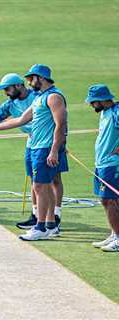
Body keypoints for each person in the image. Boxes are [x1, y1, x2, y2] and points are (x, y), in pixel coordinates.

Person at [0, 73, 66, 229]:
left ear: (19, 86)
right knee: (37, 181)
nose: (5, 93)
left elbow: (59, 121)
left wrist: (58, 144)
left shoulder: (40, 96)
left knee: (54, 179)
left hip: (49, 142)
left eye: (7, 89)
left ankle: (55, 215)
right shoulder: (9, 104)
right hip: (33, 142)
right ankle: (36, 216)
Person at [85, 84, 119, 252]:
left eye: (93, 102)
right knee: (105, 200)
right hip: (101, 163)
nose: (91, 105)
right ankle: (115, 234)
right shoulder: (105, 113)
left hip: (112, 165)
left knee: (109, 200)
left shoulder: (117, 112)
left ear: (103, 100)